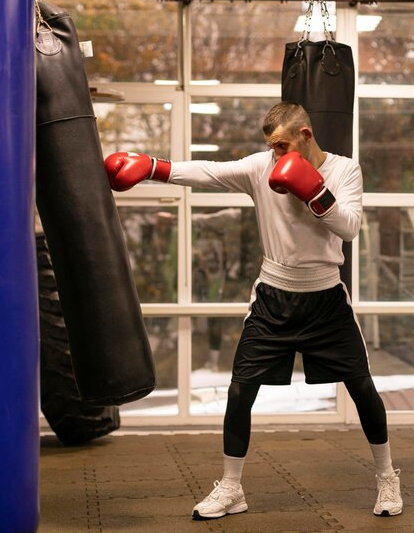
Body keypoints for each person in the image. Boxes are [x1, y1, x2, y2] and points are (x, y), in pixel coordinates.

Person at [104, 101, 403, 519]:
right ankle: (231, 488)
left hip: (326, 300)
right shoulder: (261, 166)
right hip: (273, 298)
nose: (276, 157)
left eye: (282, 147)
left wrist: (315, 191)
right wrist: (152, 166)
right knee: (240, 390)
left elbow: (349, 227)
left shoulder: (344, 170)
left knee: (362, 387)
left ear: (305, 135)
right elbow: (208, 171)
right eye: (271, 148)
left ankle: (387, 477)